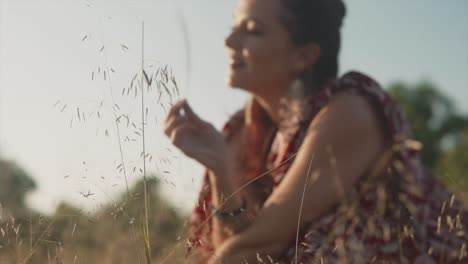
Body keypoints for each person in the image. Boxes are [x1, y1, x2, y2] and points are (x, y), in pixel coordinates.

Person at [163, 0, 468, 262]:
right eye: (234, 26)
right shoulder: (241, 132)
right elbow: (240, 249)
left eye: (253, 30)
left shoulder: (350, 111)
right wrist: (220, 169)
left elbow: (261, 243)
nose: (229, 41)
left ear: (304, 56)